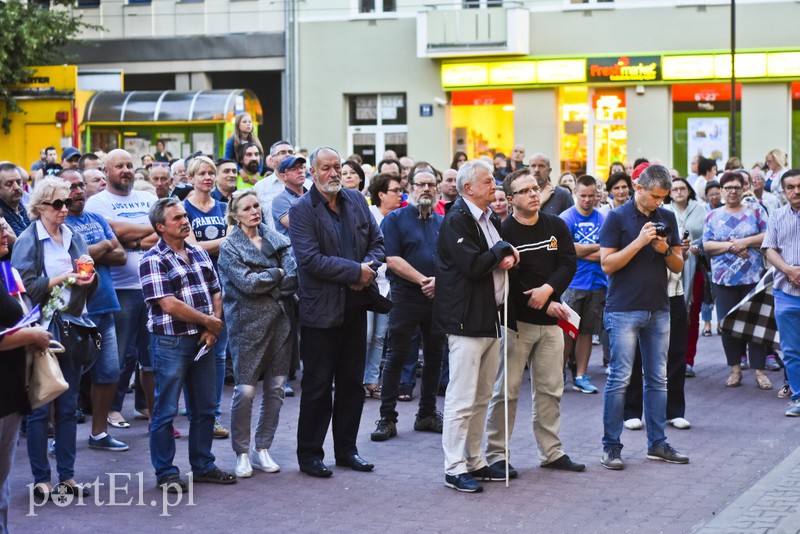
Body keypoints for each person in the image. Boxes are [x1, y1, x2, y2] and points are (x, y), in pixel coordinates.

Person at [290, 147, 384, 478]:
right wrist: (354, 272)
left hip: (356, 308)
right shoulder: (302, 210)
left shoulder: (356, 201)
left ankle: (347, 450)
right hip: (321, 312)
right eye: (326, 168)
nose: (333, 173)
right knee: (317, 386)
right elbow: (310, 260)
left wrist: (367, 269)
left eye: (337, 167)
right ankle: (310, 455)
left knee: (351, 384)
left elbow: (378, 241)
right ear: (312, 173)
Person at [483, 167, 583, 480]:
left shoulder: (556, 225)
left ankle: (551, 452)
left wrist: (549, 291)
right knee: (506, 391)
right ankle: (497, 455)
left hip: (552, 322)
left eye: (535, 188)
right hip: (516, 324)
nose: (533, 194)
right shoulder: (502, 232)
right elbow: (508, 277)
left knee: (551, 389)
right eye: (525, 190)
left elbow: (568, 263)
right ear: (510, 199)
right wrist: (538, 298)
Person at [139, 197, 234, 492]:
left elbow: (216, 291)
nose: (185, 221)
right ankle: (166, 472)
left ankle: (203, 464)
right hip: (171, 341)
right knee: (166, 410)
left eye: (184, 216)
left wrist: (213, 327)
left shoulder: (198, 252)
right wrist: (209, 323)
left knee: (205, 407)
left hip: (204, 340)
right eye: (177, 218)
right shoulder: (153, 259)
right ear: (160, 227)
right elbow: (169, 305)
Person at [435, 159, 519, 493]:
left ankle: (474, 459)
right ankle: (454, 467)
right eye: (488, 182)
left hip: (489, 316)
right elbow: (472, 264)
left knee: (483, 395)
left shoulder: (488, 219)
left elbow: (496, 258)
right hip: (465, 318)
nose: (494, 186)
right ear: (468, 187)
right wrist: (501, 249)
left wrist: (505, 252)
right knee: (461, 396)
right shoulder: (457, 219)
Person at [12, 177, 97, 498]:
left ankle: (67, 476)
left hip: (72, 327)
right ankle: (41, 479)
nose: (65, 209)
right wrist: (63, 278)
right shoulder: (28, 239)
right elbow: (22, 287)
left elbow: (86, 271)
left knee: (68, 407)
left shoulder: (72, 235)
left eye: (67, 202)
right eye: (58, 204)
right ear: (40, 207)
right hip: (41, 330)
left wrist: (87, 278)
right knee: (39, 408)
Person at [599, 164, 688, 470]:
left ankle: (658, 444)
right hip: (623, 308)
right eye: (654, 197)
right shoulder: (616, 217)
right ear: (638, 187)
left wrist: (664, 249)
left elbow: (677, 266)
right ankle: (611, 447)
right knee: (619, 379)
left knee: (657, 379)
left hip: (659, 308)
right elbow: (607, 264)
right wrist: (638, 242)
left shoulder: (667, 217)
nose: (659, 203)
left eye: (663, 197)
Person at [218, 189, 298, 477]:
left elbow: (294, 277)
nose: (254, 211)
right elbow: (245, 284)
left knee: (276, 389)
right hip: (247, 326)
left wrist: (268, 279)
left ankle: (263, 447)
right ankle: (241, 451)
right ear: (235, 215)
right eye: (247, 208)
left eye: (256, 206)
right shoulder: (230, 247)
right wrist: (275, 274)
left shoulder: (278, 239)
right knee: (245, 390)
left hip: (281, 322)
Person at [85, 149, 159, 430]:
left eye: (129, 165)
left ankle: (155, 413)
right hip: (119, 289)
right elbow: (112, 232)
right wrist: (146, 231)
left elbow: (161, 231)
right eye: (119, 166)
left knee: (152, 357)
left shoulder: (148, 198)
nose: (126, 170)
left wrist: (130, 238)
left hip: (153, 287)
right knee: (117, 358)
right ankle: (112, 410)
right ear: (106, 171)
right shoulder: (97, 203)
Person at [370, 169, 445, 441]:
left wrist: (438, 281)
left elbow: (449, 259)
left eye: (431, 184)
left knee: (435, 355)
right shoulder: (395, 220)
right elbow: (391, 258)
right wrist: (424, 280)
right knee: (396, 355)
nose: (426, 188)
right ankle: (387, 418)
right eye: (421, 184)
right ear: (409, 188)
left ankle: (426, 413)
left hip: (437, 296)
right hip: (405, 295)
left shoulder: (441, 221)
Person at [62, 170, 130, 452]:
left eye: (81, 185)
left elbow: (121, 255)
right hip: (73, 313)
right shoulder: (59, 223)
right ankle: (60, 439)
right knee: (68, 379)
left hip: (104, 306)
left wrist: (92, 251)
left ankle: (99, 433)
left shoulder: (97, 218)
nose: (79, 191)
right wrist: (102, 245)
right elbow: (69, 259)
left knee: (109, 372)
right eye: (72, 186)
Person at [0, 232, 51, 529]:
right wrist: (31, 335)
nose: (6, 234)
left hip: (11, 387)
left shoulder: (7, 270)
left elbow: (21, 315)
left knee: (3, 477)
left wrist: (30, 333)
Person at [702, 171, 771, 389]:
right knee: (728, 324)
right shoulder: (712, 216)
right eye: (728, 188)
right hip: (724, 280)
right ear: (721, 191)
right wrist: (733, 246)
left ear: (744, 189)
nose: (732, 191)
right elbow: (707, 245)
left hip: (753, 278)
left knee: (756, 323)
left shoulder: (756, 211)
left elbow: (768, 235)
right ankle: (735, 369)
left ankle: (759, 371)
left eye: (736, 187)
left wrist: (746, 242)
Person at [184, 156, 232, 439]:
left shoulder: (225, 208)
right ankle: (194, 413)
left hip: (223, 285)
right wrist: (223, 242)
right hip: (194, 287)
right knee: (195, 351)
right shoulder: (183, 208)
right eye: (201, 173)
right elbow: (191, 249)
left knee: (219, 353)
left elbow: (238, 243)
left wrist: (213, 246)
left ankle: (212, 415)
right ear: (190, 178)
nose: (207, 178)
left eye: (210, 173)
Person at [560, 175, 606, 393]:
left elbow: (607, 252)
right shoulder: (566, 218)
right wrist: (593, 248)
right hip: (572, 283)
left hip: (596, 283)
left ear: (597, 194)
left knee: (587, 331)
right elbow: (566, 250)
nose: (587, 200)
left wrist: (579, 250)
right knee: (567, 331)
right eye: (583, 196)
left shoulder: (603, 219)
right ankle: (558, 375)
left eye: (591, 196)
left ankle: (581, 375)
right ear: (574, 194)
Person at [762, 169, 800, 416]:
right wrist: (790, 271)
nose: (796, 191)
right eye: (791, 187)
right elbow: (769, 249)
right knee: (791, 350)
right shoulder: (776, 215)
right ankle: (798, 396)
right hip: (785, 291)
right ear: (784, 191)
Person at [363, 173, 403, 399]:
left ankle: (371, 381)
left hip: (388, 285)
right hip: (369, 283)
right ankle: (355, 379)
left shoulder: (396, 217)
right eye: (395, 191)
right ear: (380, 194)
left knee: (379, 336)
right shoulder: (369, 216)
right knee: (365, 334)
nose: (400, 195)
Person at [664, 178, 706, 378]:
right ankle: (668, 359)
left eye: (683, 188)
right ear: (669, 193)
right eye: (675, 189)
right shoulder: (664, 211)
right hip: (669, 272)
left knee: (692, 316)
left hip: (695, 266)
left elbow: (709, 235)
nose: (679, 191)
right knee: (670, 318)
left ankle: (688, 360)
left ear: (689, 191)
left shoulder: (701, 209)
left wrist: (697, 247)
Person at [271, 155, 308, 237]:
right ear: (283, 176)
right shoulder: (280, 200)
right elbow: (300, 227)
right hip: (294, 249)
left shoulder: (312, 195)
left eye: (301, 167)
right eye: (294, 169)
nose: (300, 171)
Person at [0, 163, 31, 236]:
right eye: (9, 184)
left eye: (19, 182)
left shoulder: (23, 208)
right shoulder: (1, 215)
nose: (16, 187)